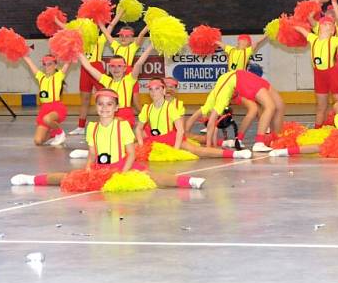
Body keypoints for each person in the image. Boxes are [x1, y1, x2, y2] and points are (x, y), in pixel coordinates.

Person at [11, 89, 205, 190]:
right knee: (66, 177)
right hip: (100, 168)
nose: (105, 108)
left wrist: (124, 171)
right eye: (101, 104)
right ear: (96, 107)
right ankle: (31, 179)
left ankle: (189, 181)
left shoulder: (122, 126)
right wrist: (88, 167)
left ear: (116, 107)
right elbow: (93, 153)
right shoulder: (92, 127)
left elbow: (130, 153)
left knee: (154, 177)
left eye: (109, 104)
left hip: (122, 166)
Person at [132, 78, 251, 159]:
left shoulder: (171, 107)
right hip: (154, 139)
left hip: (170, 138)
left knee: (197, 150)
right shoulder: (146, 108)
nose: (153, 92)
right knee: (130, 148)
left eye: (157, 89)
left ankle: (234, 154)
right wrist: (142, 145)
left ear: (163, 90)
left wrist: (176, 149)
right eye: (151, 89)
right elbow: (138, 129)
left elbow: (181, 130)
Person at [77, 46, 154, 126]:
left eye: (119, 66)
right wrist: (77, 50)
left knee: (107, 122)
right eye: (113, 66)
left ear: (124, 68)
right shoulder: (107, 81)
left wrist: (151, 47)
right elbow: (89, 67)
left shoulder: (129, 80)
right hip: (111, 114)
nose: (116, 68)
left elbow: (139, 63)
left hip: (125, 117)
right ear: (109, 68)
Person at [100, 6, 150, 112]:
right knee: (116, 101)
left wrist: (150, 23)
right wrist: (100, 23)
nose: (123, 38)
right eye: (121, 35)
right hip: (117, 76)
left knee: (136, 103)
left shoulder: (133, 47)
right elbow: (106, 33)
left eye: (127, 36)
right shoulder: (115, 45)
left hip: (130, 76)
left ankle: (147, 124)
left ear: (132, 38)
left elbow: (141, 34)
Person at [21, 54, 71, 146]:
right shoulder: (41, 77)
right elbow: (29, 63)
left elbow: (68, 63)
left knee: (47, 119)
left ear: (55, 65)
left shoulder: (58, 75)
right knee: (38, 141)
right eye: (45, 64)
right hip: (44, 109)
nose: (47, 67)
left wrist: (72, 52)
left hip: (56, 108)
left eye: (50, 64)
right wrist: (23, 54)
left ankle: (60, 133)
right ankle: (52, 133)